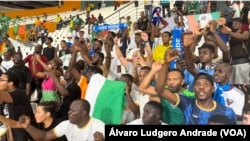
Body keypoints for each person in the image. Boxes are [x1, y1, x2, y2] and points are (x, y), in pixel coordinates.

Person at [155, 49, 237, 125]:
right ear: (194, 88)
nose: (201, 87)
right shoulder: (186, 103)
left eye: (206, 84)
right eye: (197, 84)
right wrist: (166, 63)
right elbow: (160, 90)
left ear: (212, 89)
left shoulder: (227, 112)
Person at [0, 99, 105, 141]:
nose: (69, 113)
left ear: (83, 113)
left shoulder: (99, 126)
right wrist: (27, 126)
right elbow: (45, 136)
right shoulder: (66, 124)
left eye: (73, 111)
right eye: (69, 110)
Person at [0, 72, 35, 140]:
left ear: (11, 83)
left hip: (26, 135)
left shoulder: (19, 94)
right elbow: (9, 119)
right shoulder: (7, 98)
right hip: (16, 134)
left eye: (1, 80)